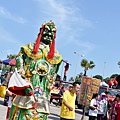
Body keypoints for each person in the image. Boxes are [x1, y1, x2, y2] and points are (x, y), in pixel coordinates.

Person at [8, 21, 62, 120]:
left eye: (52, 33)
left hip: (43, 94)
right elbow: (19, 66)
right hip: (28, 90)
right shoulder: (28, 48)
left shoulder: (56, 56)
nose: (49, 34)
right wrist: (23, 83)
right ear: (41, 32)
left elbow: (53, 75)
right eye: (46, 31)